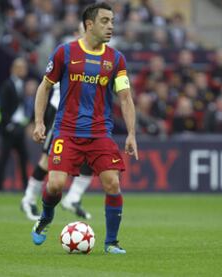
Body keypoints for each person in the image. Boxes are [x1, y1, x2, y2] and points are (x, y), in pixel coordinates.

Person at [31, 2, 138, 254]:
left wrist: (132, 133)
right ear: (89, 24)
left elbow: (125, 97)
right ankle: (46, 217)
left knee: (112, 183)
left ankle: (111, 242)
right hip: (66, 131)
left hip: (100, 133)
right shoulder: (65, 52)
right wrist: (38, 122)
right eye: (105, 21)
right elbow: (44, 87)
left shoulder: (116, 59)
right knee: (55, 185)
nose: (110, 26)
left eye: (112, 21)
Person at [21, 23, 93, 221]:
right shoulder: (66, 51)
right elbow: (47, 84)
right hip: (60, 112)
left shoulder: (100, 54)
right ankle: (28, 199)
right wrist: (39, 120)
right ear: (78, 32)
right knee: (47, 161)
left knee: (91, 159)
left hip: (85, 115)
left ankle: (73, 198)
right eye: (84, 29)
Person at [0, 57, 31, 192]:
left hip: (19, 127)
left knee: (23, 158)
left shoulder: (23, 85)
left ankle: (26, 187)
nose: (24, 70)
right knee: (4, 158)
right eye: (21, 68)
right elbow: (2, 107)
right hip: (9, 128)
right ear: (14, 69)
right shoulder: (7, 85)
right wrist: (8, 125)